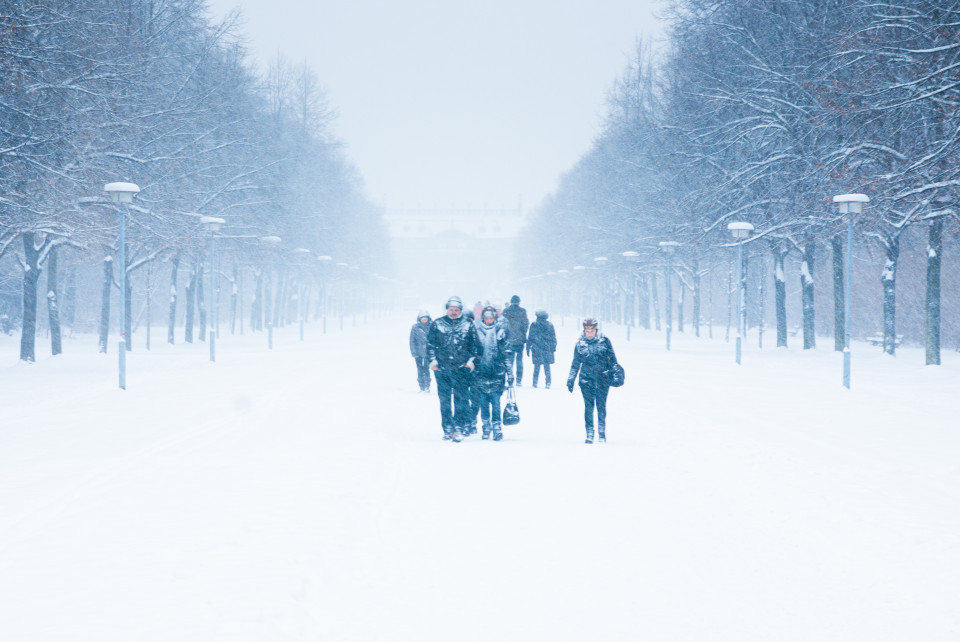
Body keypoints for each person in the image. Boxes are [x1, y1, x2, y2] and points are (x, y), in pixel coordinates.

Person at [427, 295, 480, 442]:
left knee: (461, 401)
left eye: (456, 309)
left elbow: (475, 348)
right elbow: (430, 345)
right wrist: (433, 362)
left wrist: (470, 363)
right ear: (447, 309)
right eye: (451, 309)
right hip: (442, 368)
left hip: (461, 369)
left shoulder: (468, 325)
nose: (454, 312)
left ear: (460, 310)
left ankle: (459, 427)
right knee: (444, 401)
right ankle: (447, 428)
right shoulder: (437, 324)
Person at [566, 318, 620, 444]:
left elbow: (612, 360)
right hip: (586, 380)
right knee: (588, 407)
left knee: (601, 406)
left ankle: (602, 432)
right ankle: (589, 433)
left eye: (592, 330)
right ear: (584, 330)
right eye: (587, 330)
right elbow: (575, 363)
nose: (589, 333)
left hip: (603, 379)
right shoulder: (580, 344)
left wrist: (616, 373)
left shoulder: (604, 342)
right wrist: (571, 379)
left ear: (596, 330)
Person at [473, 305, 513, 440]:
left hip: (497, 373)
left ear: (494, 318)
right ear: (483, 317)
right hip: (481, 373)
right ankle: (486, 427)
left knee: (496, 403)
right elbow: (473, 352)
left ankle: (497, 427)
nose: (488, 319)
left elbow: (506, 354)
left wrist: (509, 372)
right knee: (483, 403)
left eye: (491, 317)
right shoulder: (477, 332)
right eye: (486, 317)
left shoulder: (500, 332)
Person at [501, 294, 529, 385]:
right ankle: (519, 380)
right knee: (519, 361)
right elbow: (525, 324)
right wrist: (522, 334)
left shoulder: (506, 311)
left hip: (509, 340)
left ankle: (510, 377)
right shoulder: (522, 311)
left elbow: (503, 324)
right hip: (520, 339)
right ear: (519, 302)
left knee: (509, 360)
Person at [526, 309, 557, 388]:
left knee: (537, 366)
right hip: (547, 348)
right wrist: (553, 347)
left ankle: (535, 382)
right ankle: (548, 383)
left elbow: (530, 337)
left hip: (537, 348)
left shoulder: (534, 325)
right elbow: (553, 337)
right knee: (547, 367)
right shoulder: (550, 325)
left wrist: (528, 347)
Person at [409, 310, 432, 393]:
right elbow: (412, 341)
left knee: (426, 369)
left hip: (428, 353)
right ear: (419, 319)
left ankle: (427, 386)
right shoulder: (415, 328)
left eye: (426, 318)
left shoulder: (432, 327)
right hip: (418, 353)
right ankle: (421, 386)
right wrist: (414, 352)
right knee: (419, 369)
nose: (424, 320)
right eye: (423, 318)